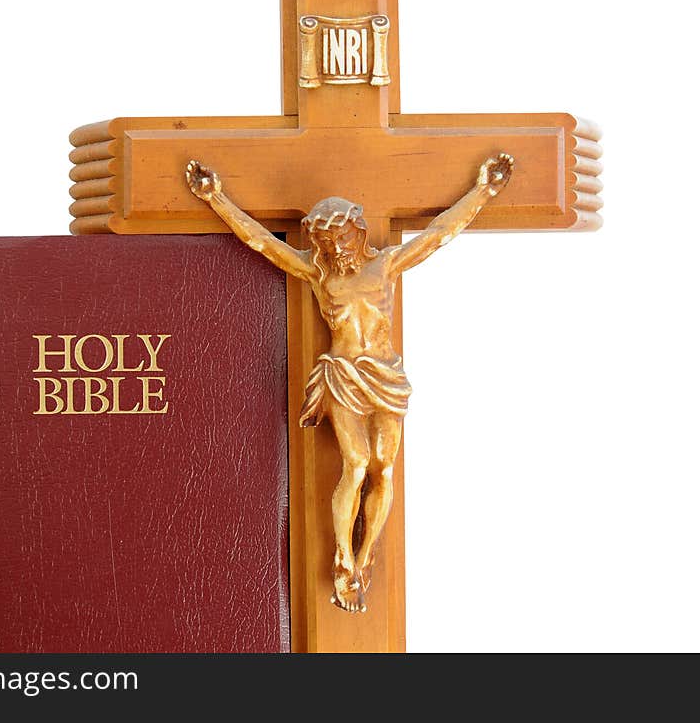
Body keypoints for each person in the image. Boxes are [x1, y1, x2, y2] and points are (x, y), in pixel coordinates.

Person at [186, 153, 515, 612]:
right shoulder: (319, 274)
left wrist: (484, 192)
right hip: (342, 375)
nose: (335, 247)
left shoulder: (387, 267)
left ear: (358, 232)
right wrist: (216, 198)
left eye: (341, 236)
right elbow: (260, 242)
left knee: (383, 469)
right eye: (325, 240)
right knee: (356, 465)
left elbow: (439, 234)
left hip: (386, 378)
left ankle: (364, 557)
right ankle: (342, 556)